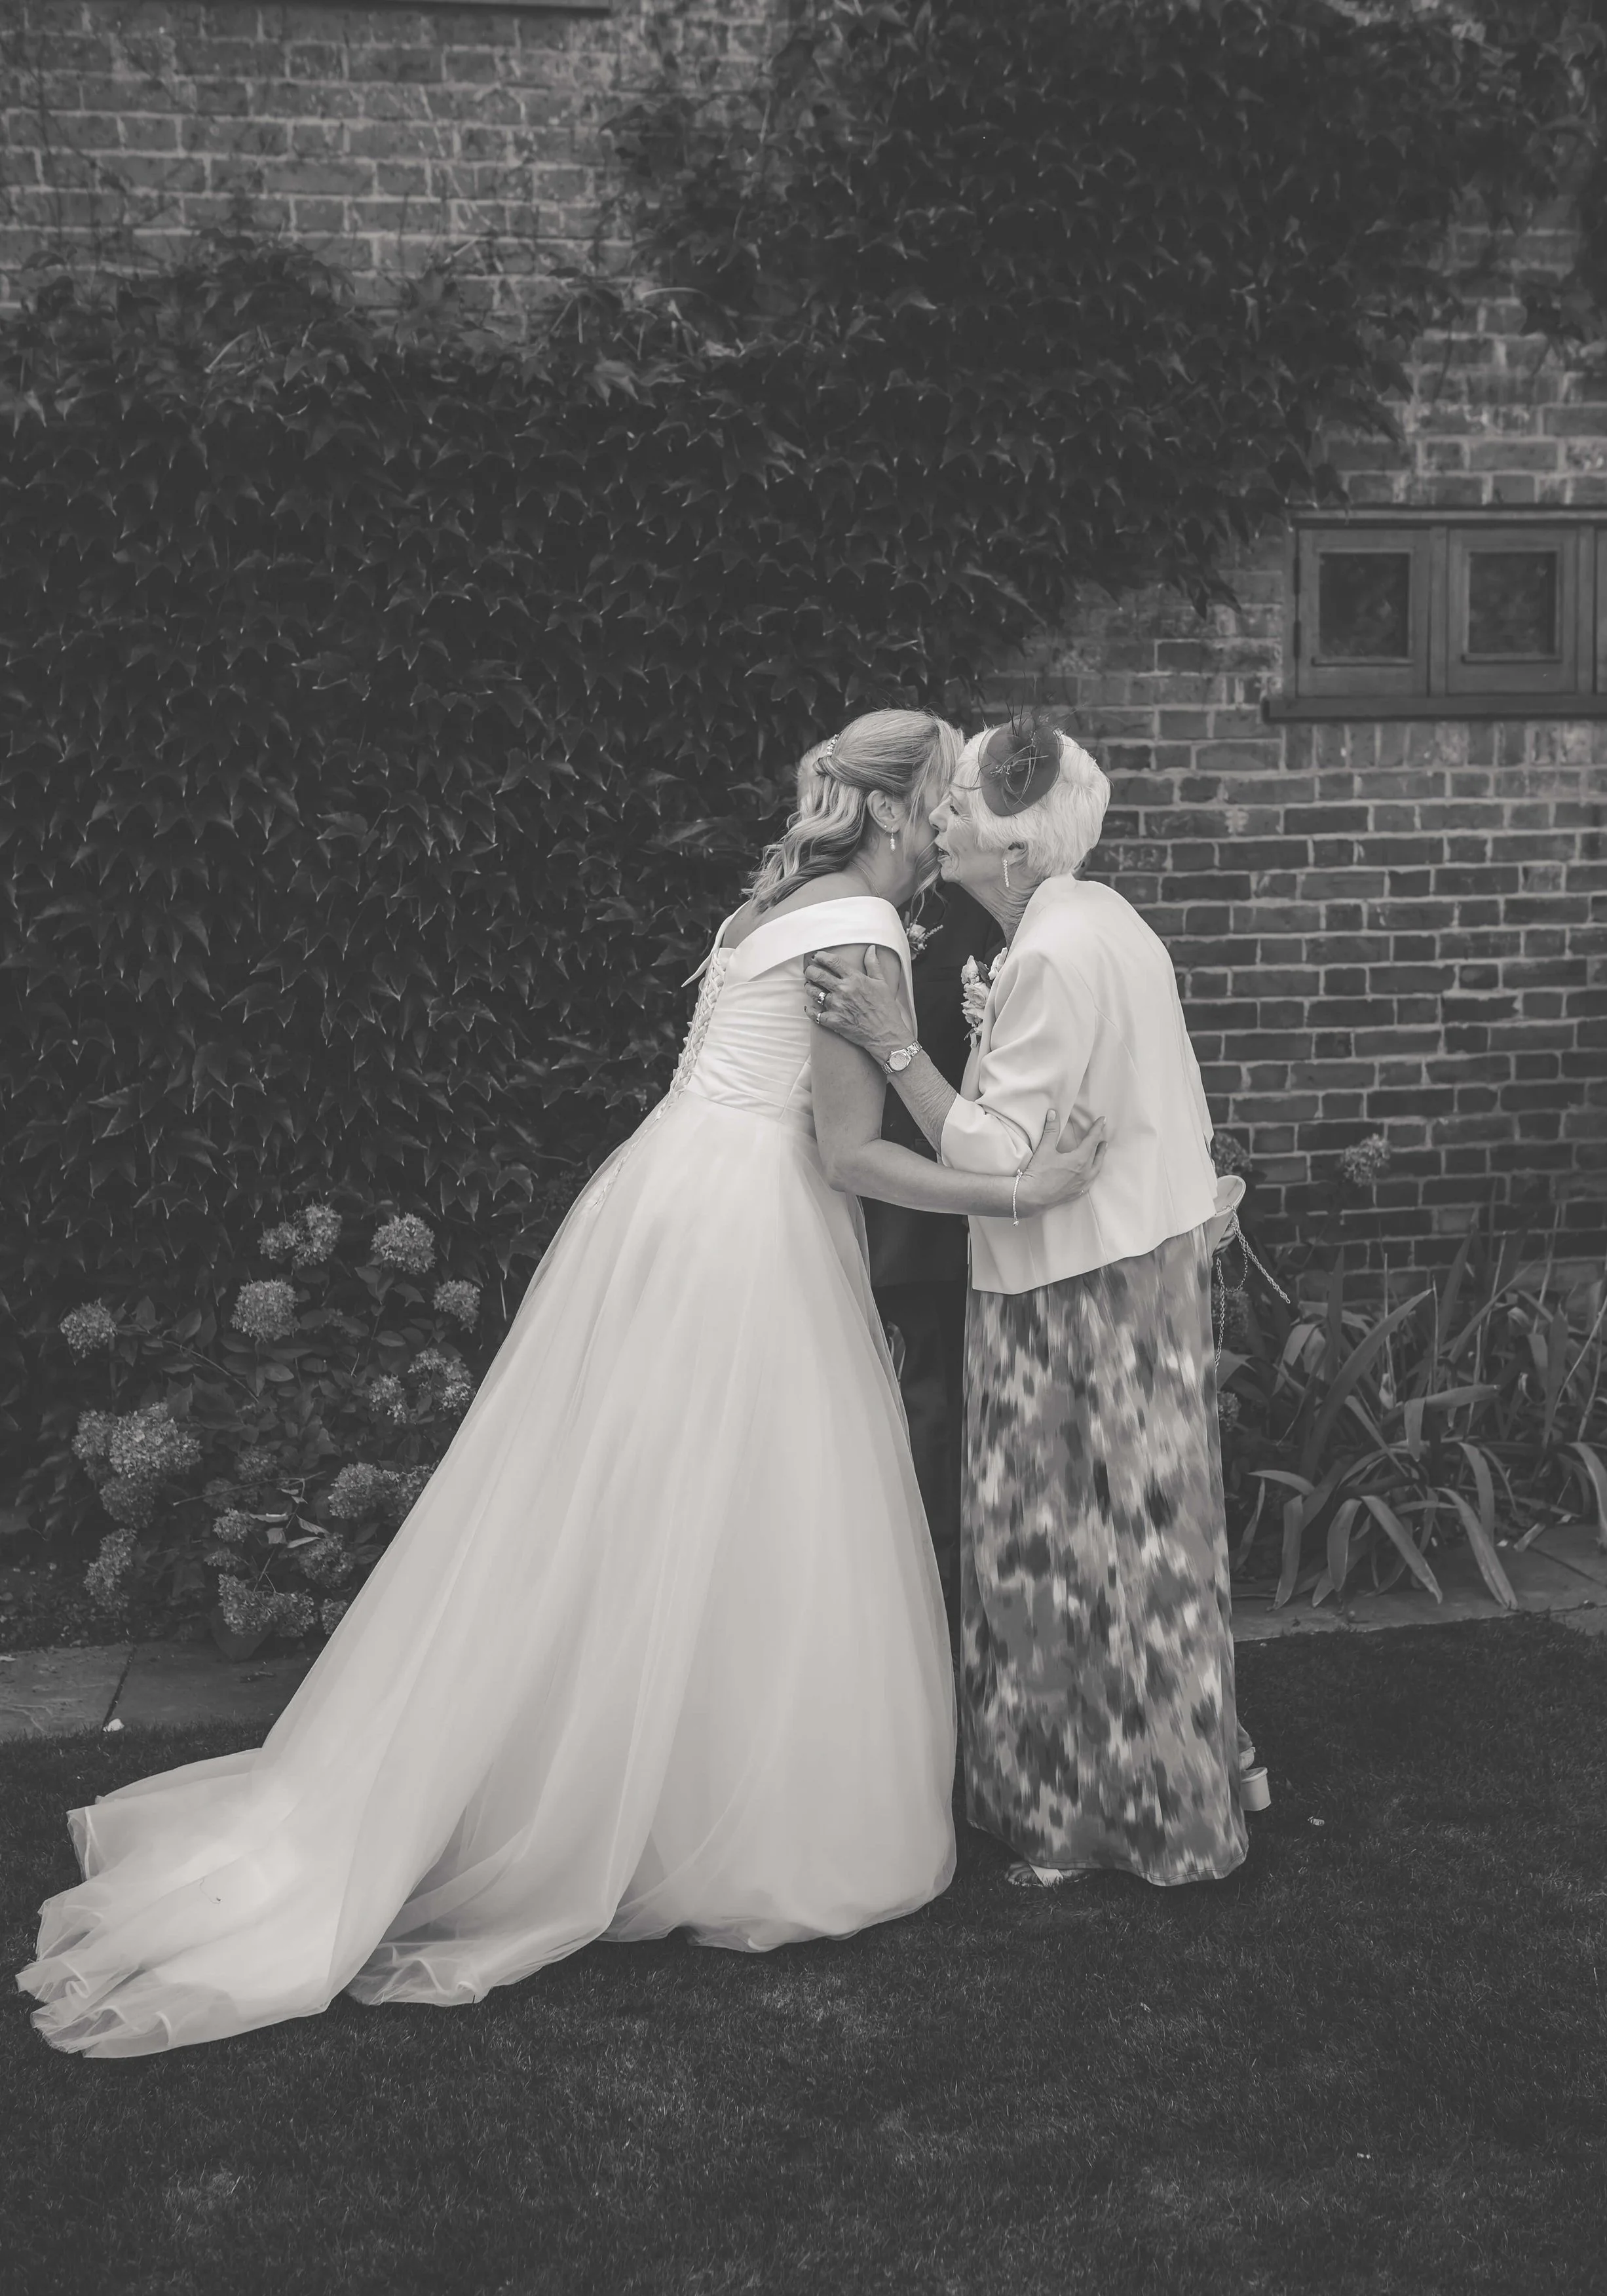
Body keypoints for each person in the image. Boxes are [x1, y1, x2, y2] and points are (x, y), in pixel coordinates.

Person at [20, 709, 1106, 2058]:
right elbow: (848, 1156)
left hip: (661, 1206)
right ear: (891, 812)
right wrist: (1020, 1189)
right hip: (742, 1238)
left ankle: (609, 1784)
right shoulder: (861, 934)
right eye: (940, 794)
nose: (950, 819)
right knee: (745, 1518)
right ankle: (706, 1823)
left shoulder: (770, 910)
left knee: (634, 1519)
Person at [806, 716, 1251, 1890]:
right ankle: (1181, 1776)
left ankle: (1074, 1819)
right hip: (1138, 1277)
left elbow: (1000, 1153)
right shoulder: (1106, 919)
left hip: (1066, 1295)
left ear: (1009, 854)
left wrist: (900, 1049)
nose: (940, 816)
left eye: (962, 809)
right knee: (1142, 1542)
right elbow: (1180, 1096)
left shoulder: (1049, 953)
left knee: (1055, 1553)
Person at [863, 883, 1004, 1643]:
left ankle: (939, 1631)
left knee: (933, 1422)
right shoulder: (835, 906)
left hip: (924, 1218)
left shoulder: (972, 909)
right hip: (834, 1200)